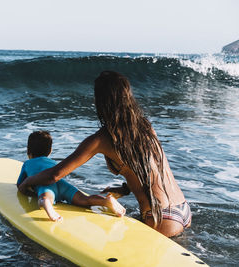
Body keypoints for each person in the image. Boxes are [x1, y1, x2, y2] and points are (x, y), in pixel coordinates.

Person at [18, 71, 192, 237]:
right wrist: (125, 189)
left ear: (101, 102)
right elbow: (150, 167)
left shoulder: (102, 138)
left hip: (160, 217)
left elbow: (55, 174)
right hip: (183, 209)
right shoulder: (145, 126)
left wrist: (27, 182)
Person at [17, 130, 126, 222]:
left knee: (45, 199)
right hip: (62, 185)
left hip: (45, 186)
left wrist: (31, 192)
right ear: (50, 151)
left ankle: (49, 209)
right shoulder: (54, 164)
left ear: (28, 151)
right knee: (85, 200)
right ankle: (106, 201)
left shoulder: (27, 164)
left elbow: (19, 184)